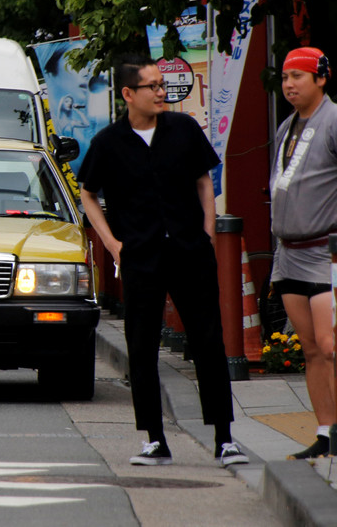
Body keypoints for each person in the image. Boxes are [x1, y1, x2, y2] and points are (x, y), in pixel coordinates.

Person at [77, 54, 249, 467]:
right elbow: (88, 193)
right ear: (128, 94)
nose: (161, 92)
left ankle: (225, 438)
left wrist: (207, 230)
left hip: (190, 252)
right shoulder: (109, 143)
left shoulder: (184, 129)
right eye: (152, 86)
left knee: (209, 342)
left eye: (161, 85)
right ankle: (155, 439)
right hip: (141, 256)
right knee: (141, 347)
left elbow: (203, 180)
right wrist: (113, 244)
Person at [269, 46, 337, 459]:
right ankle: (325, 432)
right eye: (284, 78)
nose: (289, 85)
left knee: (331, 345)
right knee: (310, 348)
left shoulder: (333, 119)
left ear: (321, 78)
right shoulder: (287, 126)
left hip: (326, 250)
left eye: (298, 77)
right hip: (289, 253)